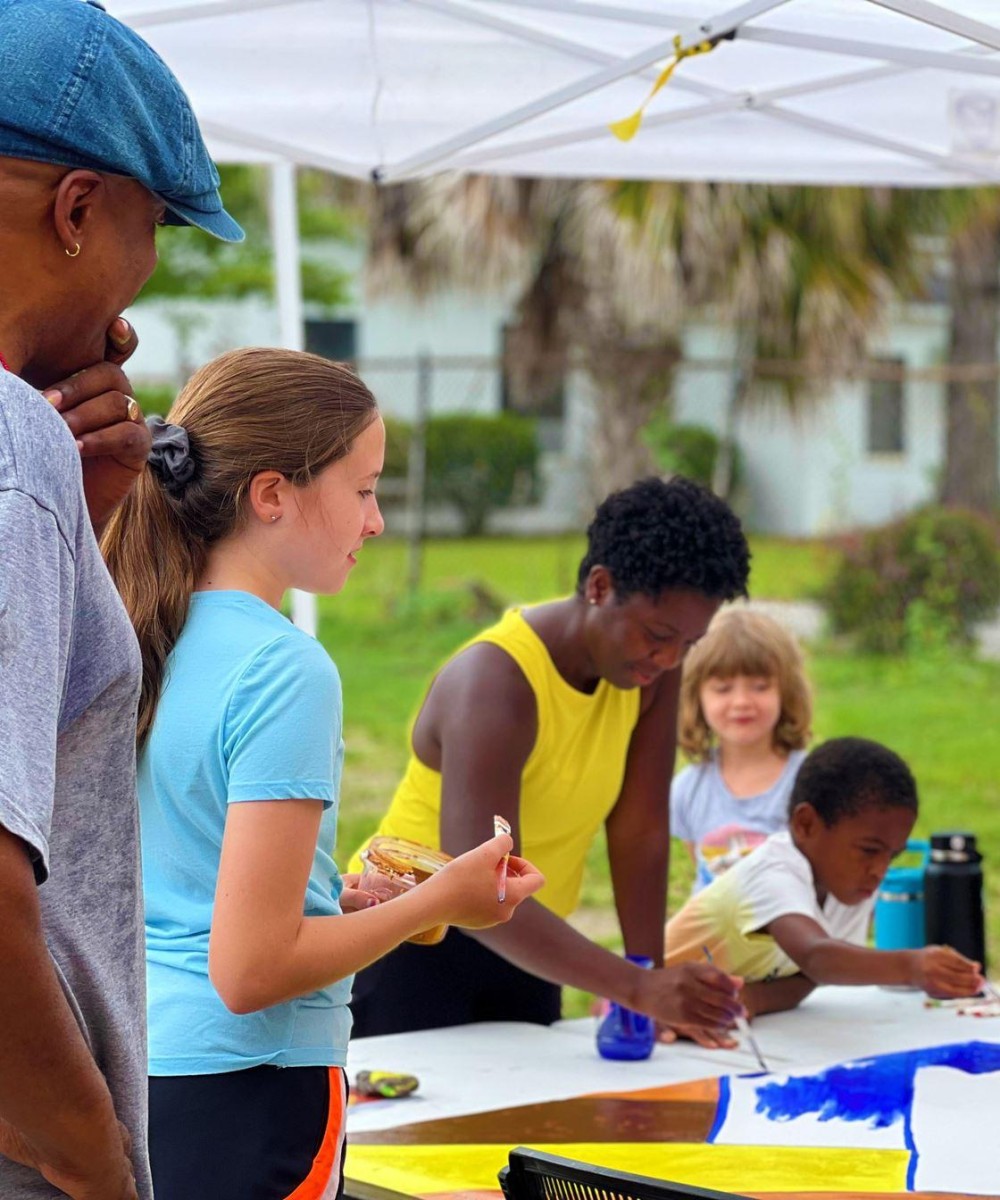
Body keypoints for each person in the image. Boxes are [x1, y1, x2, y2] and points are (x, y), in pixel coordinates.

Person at [101, 347, 544, 1200]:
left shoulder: (141, 628)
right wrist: (441, 901)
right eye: (365, 488)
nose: (375, 522)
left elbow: (181, 884)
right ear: (272, 494)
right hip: (251, 1091)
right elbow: (251, 970)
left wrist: (324, 900)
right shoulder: (284, 669)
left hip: (140, 1073)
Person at [0, 2, 242, 1197]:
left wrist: (80, 522)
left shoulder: (34, 470)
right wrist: (95, 1162)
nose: (134, 300)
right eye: (149, 234)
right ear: (78, 209)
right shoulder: (9, 453)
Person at [349, 476, 752, 1042]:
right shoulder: (495, 682)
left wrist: (647, 978)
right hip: (409, 945)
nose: (669, 658)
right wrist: (636, 989)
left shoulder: (649, 674)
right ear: (600, 586)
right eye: (659, 635)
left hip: (532, 945)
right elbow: (481, 884)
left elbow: (639, 830)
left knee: (528, 1125)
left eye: (689, 643)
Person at [665, 737, 983, 1020]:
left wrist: (751, 1000)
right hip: (641, 1007)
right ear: (806, 824)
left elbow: (811, 976)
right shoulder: (773, 871)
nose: (880, 870)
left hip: (700, 1018)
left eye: (892, 855)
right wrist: (911, 968)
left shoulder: (849, 885)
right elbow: (817, 957)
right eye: (869, 850)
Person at [671, 609, 811, 894]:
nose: (741, 702)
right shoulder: (687, 789)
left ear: (786, 692)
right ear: (696, 698)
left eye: (759, 687)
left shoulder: (809, 782)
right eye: (723, 689)